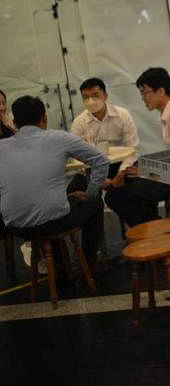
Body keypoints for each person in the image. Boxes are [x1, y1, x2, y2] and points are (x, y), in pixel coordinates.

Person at [0, 96, 109, 270]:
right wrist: (90, 192)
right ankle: (89, 265)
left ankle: (60, 268)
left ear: (14, 122)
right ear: (44, 118)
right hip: (53, 222)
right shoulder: (59, 138)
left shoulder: (2, 147)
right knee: (94, 202)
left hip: (16, 227)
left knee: (57, 200)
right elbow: (101, 160)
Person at [105, 67, 170, 228]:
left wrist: (148, 172)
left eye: (145, 92)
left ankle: (161, 231)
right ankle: (155, 226)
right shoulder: (167, 113)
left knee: (114, 197)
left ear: (161, 91)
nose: (143, 98)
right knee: (129, 176)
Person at [68, 77, 139, 192]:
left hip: (120, 163)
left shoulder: (122, 115)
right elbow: (74, 154)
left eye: (95, 95)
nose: (91, 101)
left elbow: (133, 147)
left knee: (131, 188)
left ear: (105, 96)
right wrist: (94, 177)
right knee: (74, 190)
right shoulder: (79, 122)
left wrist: (121, 173)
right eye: (86, 97)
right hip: (92, 167)